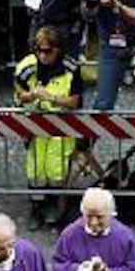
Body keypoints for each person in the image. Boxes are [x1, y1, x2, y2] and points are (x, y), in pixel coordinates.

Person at [14, 25, 82, 229]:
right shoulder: (26, 68)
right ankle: (36, 207)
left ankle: (55, 204)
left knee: (56, 169)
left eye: (47, 51)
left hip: (61, 129)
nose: (42, 55)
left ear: (58, 49)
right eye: (38, 50)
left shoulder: (71, 68)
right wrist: (32, 94)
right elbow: (19, 97)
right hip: (34, 127)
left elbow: (75, 101)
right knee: (35, 170)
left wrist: (52, 98)